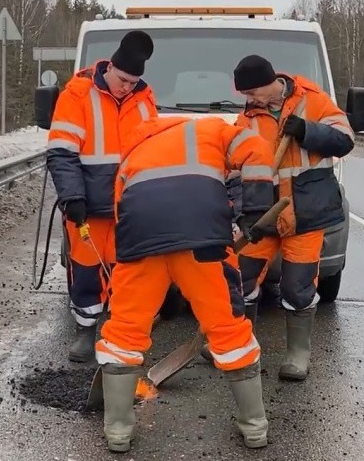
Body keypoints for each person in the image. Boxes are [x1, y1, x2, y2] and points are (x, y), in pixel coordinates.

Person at [94, 115, 277, 453]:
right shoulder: (212, 130)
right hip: (203, 240)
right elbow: (256, 149)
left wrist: (138, 261)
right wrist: (253, 212)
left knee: (125, 329)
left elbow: (120, 212)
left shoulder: (132, 153)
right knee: (228, 329)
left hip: (140, 243)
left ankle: (117, 430)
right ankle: (254, 428)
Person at [223, 54, 355, 381]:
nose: (249, 100)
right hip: (263, 212)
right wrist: (243, 216)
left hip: (307, 210)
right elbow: (235, 173)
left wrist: (308, 131)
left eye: (252, 93)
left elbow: (345, 140)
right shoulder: (246, 121)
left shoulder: (313, 101)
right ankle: (239, 343)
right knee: (241, 278)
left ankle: (298, 354)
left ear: (269, 83)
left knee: (297, 286)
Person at [46, 30, 158, 362]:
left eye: (133, 81)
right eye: (123, 79)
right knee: (85, 269)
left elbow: (151, 152)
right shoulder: (77, 95)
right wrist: (72, 197)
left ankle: (119, 334)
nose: (127, 87)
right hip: (88, 207)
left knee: (127, 272)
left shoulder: (144, 99)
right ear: (109, 68)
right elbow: (61, 153)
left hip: (129, 208)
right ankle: (86, 331)